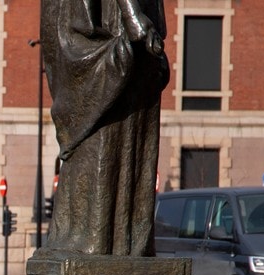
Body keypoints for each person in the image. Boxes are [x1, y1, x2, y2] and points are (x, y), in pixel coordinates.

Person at [39, 0, 169, 257]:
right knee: (102, 129)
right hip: (111, 29)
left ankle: (124, 244)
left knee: (129, 121)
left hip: (132, 38)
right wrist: (132, 14)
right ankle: (96, 240)